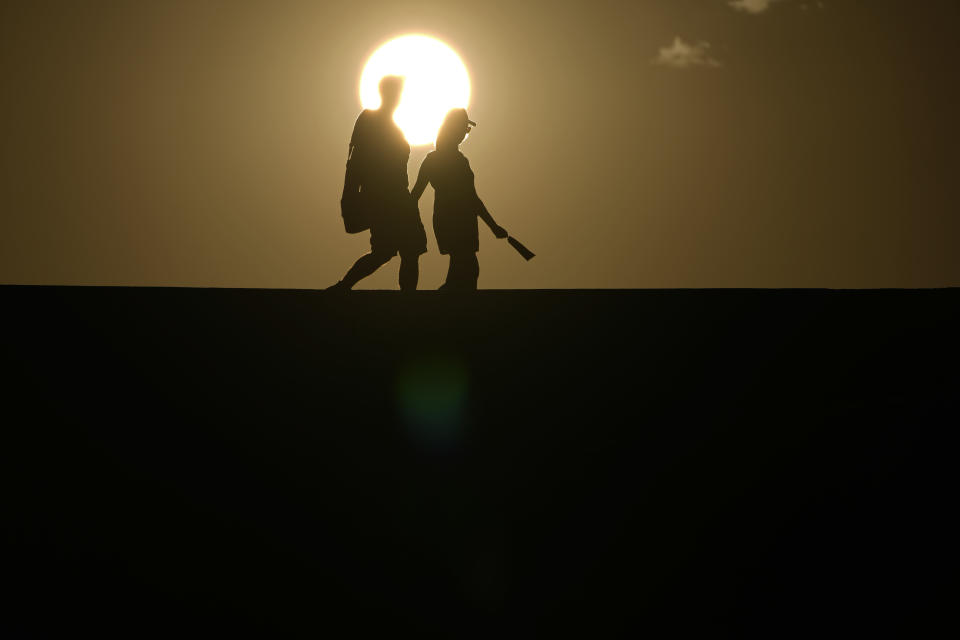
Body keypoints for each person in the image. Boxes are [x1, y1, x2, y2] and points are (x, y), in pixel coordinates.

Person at [328, 76, 427, 291]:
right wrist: (351, 195)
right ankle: (343, 286)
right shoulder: (370, 120)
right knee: (385, 251)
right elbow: (355, 162)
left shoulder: (392, 124)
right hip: (383, 197)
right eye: (397, 92)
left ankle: (407, 300)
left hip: (400, 196)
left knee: (410, 251)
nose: (399, 97)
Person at [410, 108, 508, 290]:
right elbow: (472, 198)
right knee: (467, 268)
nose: (465, 133)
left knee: (464, 268)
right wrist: (493, 226)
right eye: (464, 128)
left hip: (451, 218)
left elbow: (414, 196)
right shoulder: (456, 162)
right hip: (456, 219)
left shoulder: (435, 160)